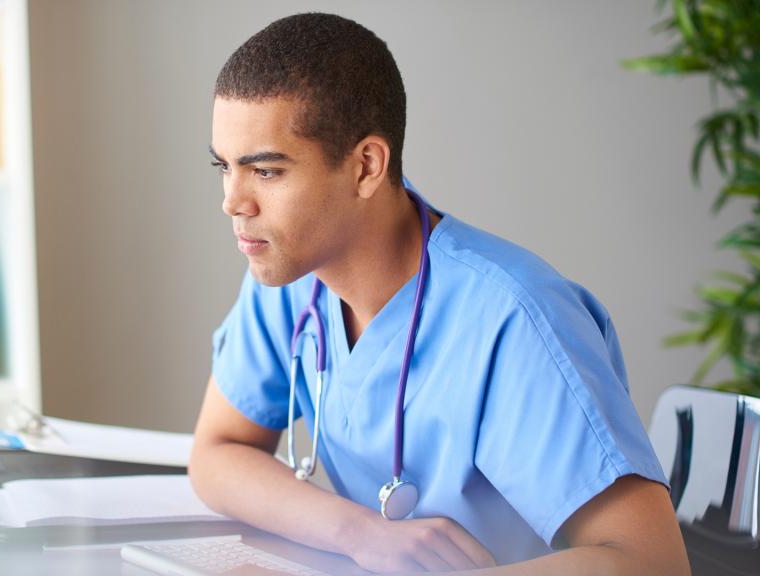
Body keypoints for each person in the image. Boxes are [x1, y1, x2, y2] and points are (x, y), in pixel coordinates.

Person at [187, 12, 690, 575]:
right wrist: (359, 533)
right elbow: (218, 451)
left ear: (366, 167)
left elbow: (655, 562)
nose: (233, 202)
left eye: (266, 171)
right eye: (224, 166)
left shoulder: (514, 320)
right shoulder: (292, 273)